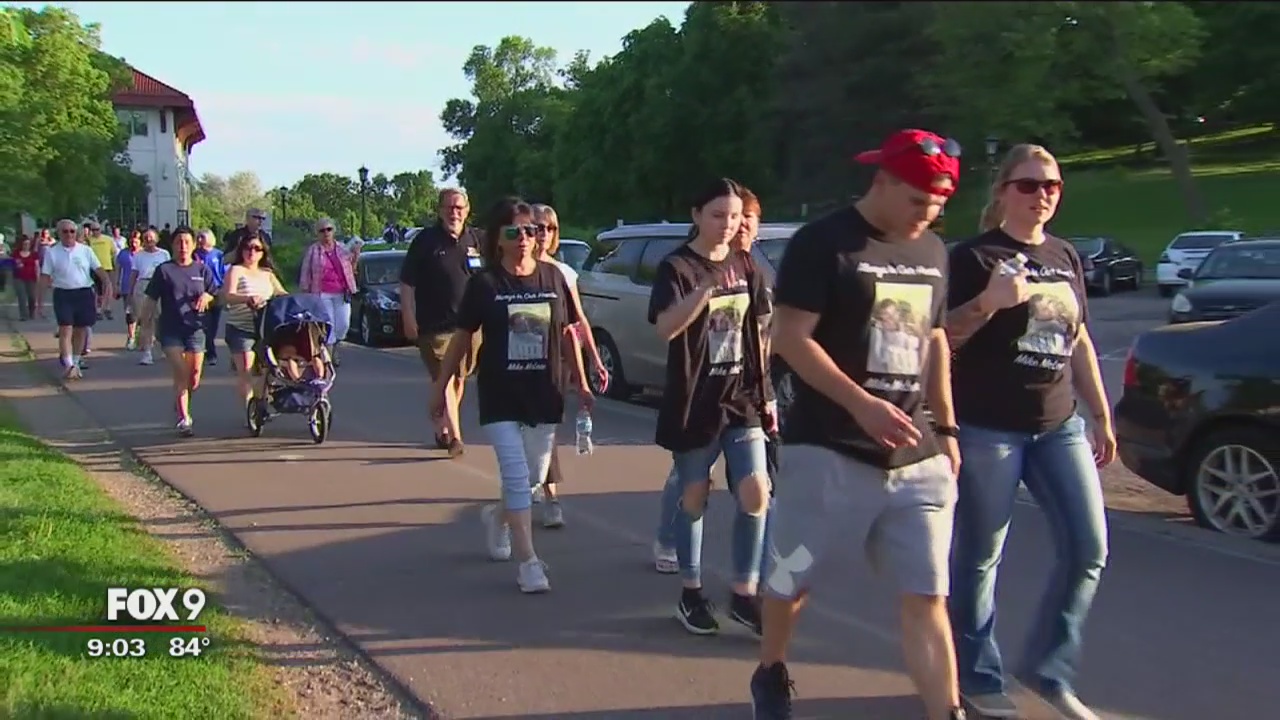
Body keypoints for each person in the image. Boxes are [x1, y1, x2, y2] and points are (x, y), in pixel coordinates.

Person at [749, 130, 966, 720]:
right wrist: (860, 404)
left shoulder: (935, 254)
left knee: (928, 596)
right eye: (919, 201)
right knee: (791, 576)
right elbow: (789, 337)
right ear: (883, 181)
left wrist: (946, 430)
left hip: (916, 459)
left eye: (940, 203)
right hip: (828, 452)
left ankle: (946, 711)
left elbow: (936, 340)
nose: (929, 214)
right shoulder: (826, 243)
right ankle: (771, 669)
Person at [944, 144, 1112, 720]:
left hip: (1058, 424)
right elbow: (941, 337)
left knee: (1089, 547)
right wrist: (989, 304)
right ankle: (976, 674)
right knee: (982, 553)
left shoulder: (1066, 254)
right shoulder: (972, 257)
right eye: (1029, 185)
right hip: (988, 427)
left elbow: (1080, 339)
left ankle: (1049, 669)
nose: (1043, 195)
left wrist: (1100, 412)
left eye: (1053, 186)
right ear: (1003, 192)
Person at [430, 196, 592, 593]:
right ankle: (529, 562)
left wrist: (583, 382)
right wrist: (441, 390)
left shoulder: (554, 278)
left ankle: (497, 517)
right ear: (497, 239)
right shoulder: (485, 285)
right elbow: (461, 341)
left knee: (535, 477)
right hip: (501, 392)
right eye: (514, 232)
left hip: (545, 391)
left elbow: (568, 331)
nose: (525, 239)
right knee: (517, 478)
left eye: (531, 231)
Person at [648, 178, 775, 637]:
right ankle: (691, 590)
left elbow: (760, 334)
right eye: (718, 215)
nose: (727, 225)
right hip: (694, 400)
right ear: (697, 215)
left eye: (735, 216)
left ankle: (744, 593)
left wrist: (768, 396)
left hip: (741, 398)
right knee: (694, 497)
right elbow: (665, 328)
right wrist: (703, 290)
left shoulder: (747, 264)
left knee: (756, 491)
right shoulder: (677, 266)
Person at [528, 203, 609, 529]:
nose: (541, 235)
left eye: (548, 228)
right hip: (520, 361)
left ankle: (551, 496)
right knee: (524, 430)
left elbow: (577, 322)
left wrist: (594, 361)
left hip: (554, 360)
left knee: (546, 427)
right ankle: (526, 485)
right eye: (535, 227)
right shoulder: (516, 268)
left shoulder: (562, 273)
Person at [401, 188, 484, 456]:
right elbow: (406, 283)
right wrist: (408, 316)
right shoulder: (425, 241)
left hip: (470, 326)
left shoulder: (476, 239)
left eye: (459, 208)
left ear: (467, 210)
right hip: (434, 326)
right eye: (449, 207)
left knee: (459, 379)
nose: (454, 212)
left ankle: (443, 425)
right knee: (445, 377)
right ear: (439, 210)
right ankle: (456, 438)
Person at [141, 227, 217, 437]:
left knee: (194, 377)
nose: (183, 247)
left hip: (196, 328)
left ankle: (180, 400)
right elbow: (150, 300)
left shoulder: (202, 270)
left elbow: (215, 293)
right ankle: (185, 418)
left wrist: (207, 297)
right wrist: (143, 326)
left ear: (193, 245)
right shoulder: (164, 270)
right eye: (178, 242)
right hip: (171, 329)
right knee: (181, 372)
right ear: (172, 246)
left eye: (186, 242)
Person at [221, 232, 287, 410]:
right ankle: (249, 412)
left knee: (266, 371)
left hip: (265, 328)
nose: (252, 252)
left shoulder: (267, 274)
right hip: (241, 328)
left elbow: (282, 294)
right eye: (248, 248)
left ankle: (259, 403)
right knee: (246, 371)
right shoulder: (236, 270)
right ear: (241, 250)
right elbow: (227, 296)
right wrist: (247, 299)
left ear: (263, 252)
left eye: (257, 248)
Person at [40, 219, 110, 380]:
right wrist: (40, 302)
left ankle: (76, 361)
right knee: (65, 329)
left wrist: (107, 283)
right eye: (65, 231)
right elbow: (44, 277)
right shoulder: (52, 252)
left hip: (83, 292)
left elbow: (98, 269)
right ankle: (68, 363)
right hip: (63, 293)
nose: (69, 234)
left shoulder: (85, 250)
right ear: (59, 234)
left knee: (81, 329)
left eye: (72, 231)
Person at [298, 217, 358, 366]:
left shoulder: (342, 248)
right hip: (322, 293)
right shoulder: (313, 250)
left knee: (343, 324)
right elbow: (305, 272)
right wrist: (306, 293)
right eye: (322, 230)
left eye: (329, 229)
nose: (326, 233)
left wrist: (356, 255)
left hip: (342, 292)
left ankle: (334, 347)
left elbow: (352, 269)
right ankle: (329, 359)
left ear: (334, 231)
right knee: (328, 323)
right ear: (317, 234)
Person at [131, 229, 172, 366]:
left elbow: (170, 271)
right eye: (146, 238)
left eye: (151, 238)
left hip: (160, 284)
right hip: (143, 284)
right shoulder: (139, 255)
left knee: (161, 319)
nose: (149, 240)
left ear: (157, 239)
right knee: (146, 319)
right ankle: (147, 352)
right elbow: (134, 274)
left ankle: (163, 345)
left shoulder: (164, 254)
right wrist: (130, 292)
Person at [194, 230, 226, 366]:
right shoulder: (195, 254)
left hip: (216, 291)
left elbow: (223, 272)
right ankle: (204, 351)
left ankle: (210, 352)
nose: (200, 239)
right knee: (202, 324)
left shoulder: (218, 254)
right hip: (201, 291)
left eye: (203, 237)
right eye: (199, 237)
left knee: (213, 325)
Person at [116, 232, 141, 349]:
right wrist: (116, 285)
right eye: (132, 241)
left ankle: (141, 337)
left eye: (136, 241)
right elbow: (118, 269)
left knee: (143, 314)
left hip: (141, 288)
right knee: (130, 314)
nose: (134, 243)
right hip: (127, 288)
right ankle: (131, 337)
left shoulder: (143, 254)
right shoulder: (123, 254)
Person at [13, 234, 41, 321]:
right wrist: (17, 265)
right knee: (22, 297)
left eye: (28, 244)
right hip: (19, 277)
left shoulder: (34, 254)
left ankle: (31, 312)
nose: (26, 246)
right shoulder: (16, 253)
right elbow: (12, 264)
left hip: (31, 278)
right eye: (25, 244)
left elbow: (37, 266)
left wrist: (38, 276)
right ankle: (23, 315)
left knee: (32, 297)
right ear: (21, 244)